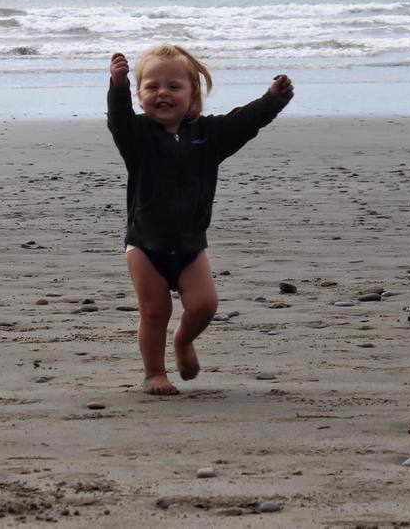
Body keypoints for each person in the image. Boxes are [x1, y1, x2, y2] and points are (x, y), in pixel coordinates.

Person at [106, 44, 294, 395]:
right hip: (145, 245)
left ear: (193, 94)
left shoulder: (209, 135)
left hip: (192, 245)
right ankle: (154, 373)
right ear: (140, 94)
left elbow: (245, 121)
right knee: (154, 311)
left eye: (174, 86)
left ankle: (183, 340)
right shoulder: (137, 137)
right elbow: (118, 119)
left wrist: (273, 100)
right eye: (152, 87)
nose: (162, 93)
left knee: (205, 306)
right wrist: (117, 87)